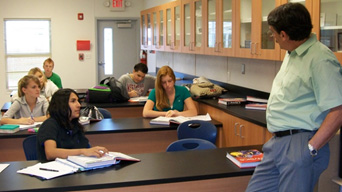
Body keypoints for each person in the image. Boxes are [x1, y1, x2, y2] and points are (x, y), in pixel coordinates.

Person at [246, 3, 342, 192]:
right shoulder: (293, 54)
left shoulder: (320, 59)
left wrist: (310, 149)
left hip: (300, 143)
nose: (272, 37)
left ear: (284, 35)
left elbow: (338, 111)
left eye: (273, 33)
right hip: (278, 143)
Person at [37, 88, 108, 161]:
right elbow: (51, 153)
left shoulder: (74, 124)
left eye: (78, 101)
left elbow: (85, 147)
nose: (79, 105)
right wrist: (82, 152)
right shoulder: (50, 124)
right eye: (73, 101)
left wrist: (95, 152)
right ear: (61, 104)